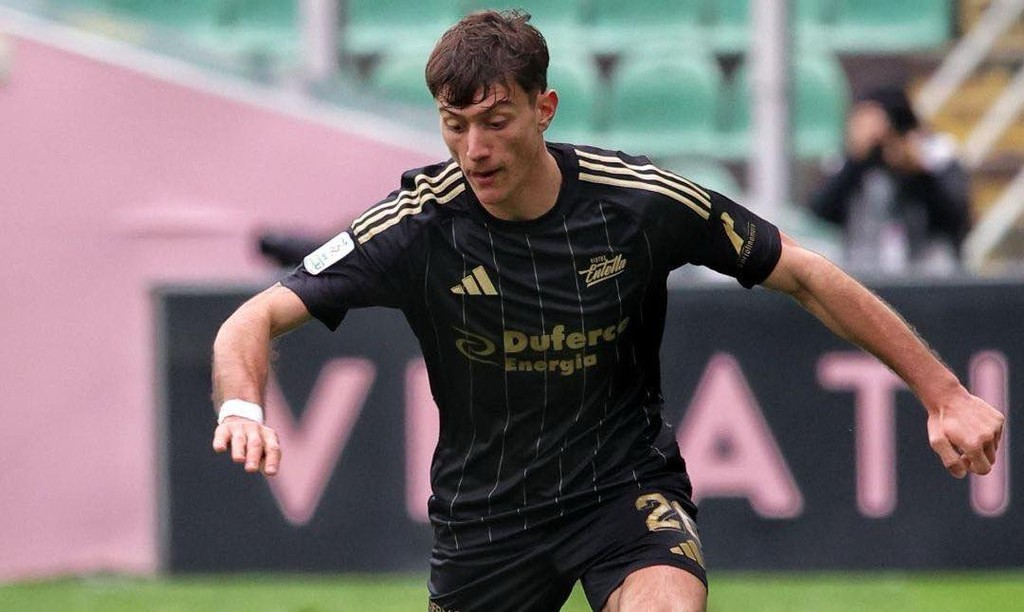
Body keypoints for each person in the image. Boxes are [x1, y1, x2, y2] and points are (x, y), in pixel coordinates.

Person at [210, 11, 1003, 612]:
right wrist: (243, 404)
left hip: (620, 494)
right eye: (456, 126)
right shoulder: (417, 225)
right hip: (486, 520)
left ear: (545, 107)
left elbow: (802, 271)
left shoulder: (638, 203)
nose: (474, 149)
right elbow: (250, 321)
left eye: (496, 121)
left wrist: (944, 394)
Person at [809, 86, 972, 276]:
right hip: (864, 274)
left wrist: (917, 171)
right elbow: (821, 210)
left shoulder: (936, 154)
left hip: (930, 274)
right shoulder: (851, 161)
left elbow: (956, 218)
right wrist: (858, 160)